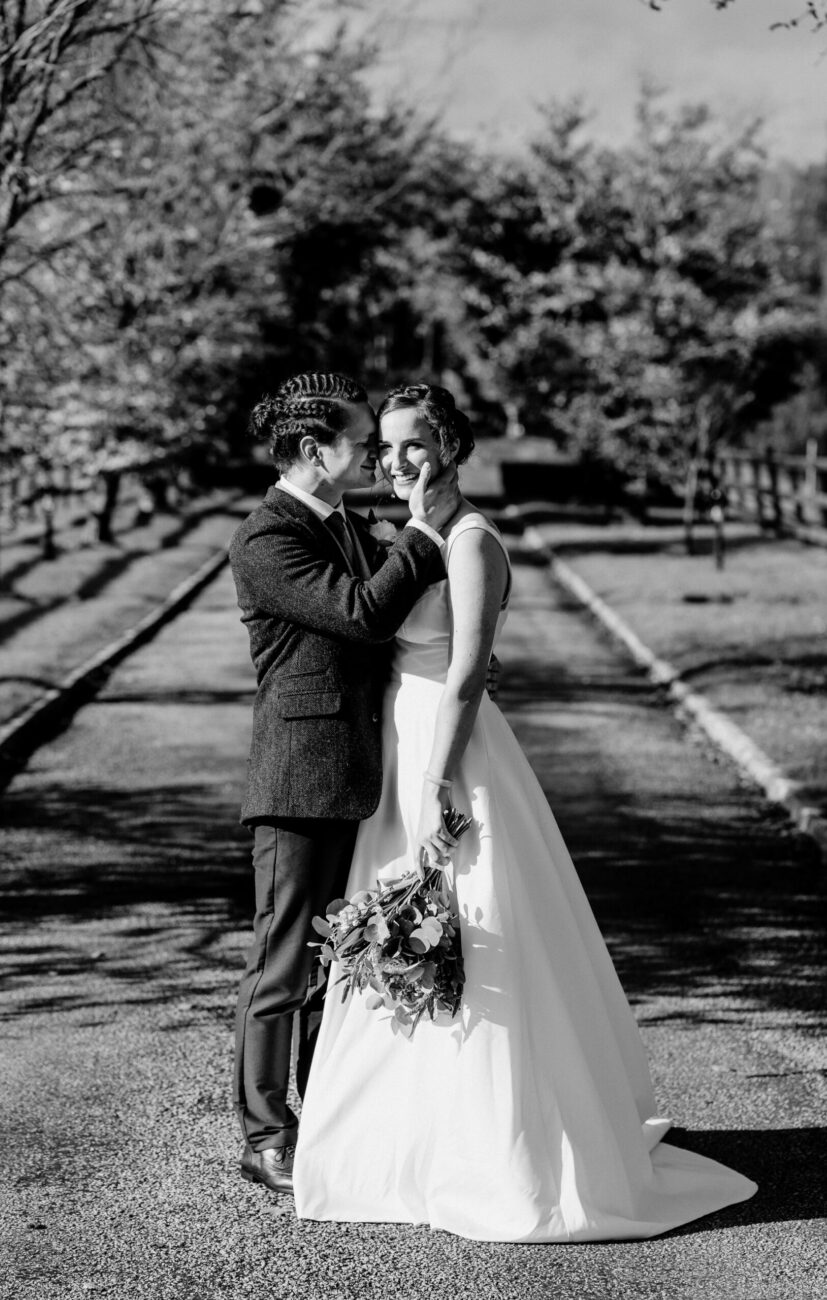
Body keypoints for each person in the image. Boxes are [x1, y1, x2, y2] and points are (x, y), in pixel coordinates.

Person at [293, 383, 757, 1241]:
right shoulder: (410, 535)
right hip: (398, 746)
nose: (395, 462)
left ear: (451, 446)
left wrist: (437, 777)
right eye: (386, 448)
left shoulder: (471, 542)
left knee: (472, 924)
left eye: (413, 446)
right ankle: (407, 1137)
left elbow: (466, 671)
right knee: (400, 923)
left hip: (447, 751)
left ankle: (501, 1147)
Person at [229, 371, 461, 1195]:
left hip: (365, 773)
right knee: (283, 963)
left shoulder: (348, 525)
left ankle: (325, 1116)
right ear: (310, 450)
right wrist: (427, 537)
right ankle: (264, 1136)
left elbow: (392, 626)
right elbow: (363, 611)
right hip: (298, 779)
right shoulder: (267, 539)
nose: (372, 455)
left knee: (341, 961)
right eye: (359, 442)